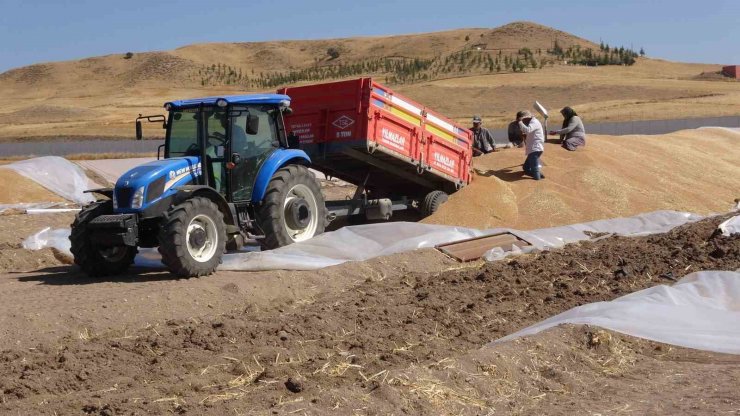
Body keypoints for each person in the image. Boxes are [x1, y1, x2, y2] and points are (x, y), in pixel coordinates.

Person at [518, 110, 545, 180]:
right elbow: (531, 132)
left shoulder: (534, 122)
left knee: (534, 168)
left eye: (523, 120)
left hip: (535, 148)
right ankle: (538, 174)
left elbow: (528, 130)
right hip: (533, 149)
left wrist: (520, 122)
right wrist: (526, 135)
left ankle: (537, 177)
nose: (524, 122)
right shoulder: (532, 122)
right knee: (526, 167)